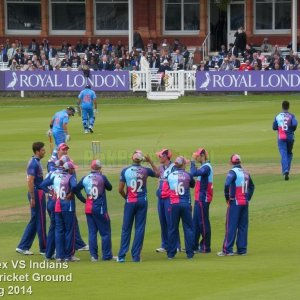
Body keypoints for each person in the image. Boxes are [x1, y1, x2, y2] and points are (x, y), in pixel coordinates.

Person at [117, 150, 158, 262]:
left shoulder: (125, 170)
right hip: (142, 202)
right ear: (141, 160)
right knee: (139, 228)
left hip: (130, 202)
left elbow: (120, 190)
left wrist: (126, 197)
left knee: (126, 228)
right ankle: (136, 256)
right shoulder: (145, 170)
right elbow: (159, 174)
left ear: (132, 158)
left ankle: (121, 256)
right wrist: (150, 161)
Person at [75, 160, 114, 262]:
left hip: (89, 208)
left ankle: (94, 256)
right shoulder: (102, 177)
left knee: (92, 232)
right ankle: (107, 255)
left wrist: (83, 199)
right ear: (99, 168)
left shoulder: (85, 178)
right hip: (100, 209)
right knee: (105, 233)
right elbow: (110, 188)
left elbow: (75, 189)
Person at [217, 154, 255, 256]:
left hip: (235, 203)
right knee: (243, 226)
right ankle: (242, 250)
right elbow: (252, 186)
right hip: (244, 203)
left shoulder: (233, 172)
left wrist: (227, 197)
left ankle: (227, 250)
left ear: (231, 162)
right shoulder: (246, 172)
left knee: (231, 225)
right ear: (240, 162)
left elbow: (226, 184)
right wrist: (248, 198)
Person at [16, 142, 47, 255]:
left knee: (35, 220)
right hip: (36, 193)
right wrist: (33, 197)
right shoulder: (34, 163)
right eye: (43, 150)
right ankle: (44, 248)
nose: (45, 152)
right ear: (37, 151)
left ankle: (23, 246)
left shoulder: (35, 161)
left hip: (37, 193)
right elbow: (30, 180)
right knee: (41, 220)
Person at [167, 156, 195, 259]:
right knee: (188, 228)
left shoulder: (170, 176)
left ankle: (171, 254)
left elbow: (169, 186)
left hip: (173, 204)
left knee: (172, 229)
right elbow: (192, 185)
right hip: (185, 204)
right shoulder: (188, 175)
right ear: (183, 164)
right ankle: (190, 253)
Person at [155, 149, 180, 253]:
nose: (159, 157)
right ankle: (164, 245)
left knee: (172, 222)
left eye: (160, 156)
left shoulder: (174, 167)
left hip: (170, 198)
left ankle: (176, 245)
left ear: (166, 156)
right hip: (161, 198)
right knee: (163, 221)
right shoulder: (160, 167)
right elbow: (159, 179)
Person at [190, 148, 213, 253]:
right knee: (195, 222)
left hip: (203, 198)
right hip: (199, 198)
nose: (196, 157)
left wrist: (192, 162)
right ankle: (193, 245)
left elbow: (193, 173)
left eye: (197, 156)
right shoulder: (204, 167)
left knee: (203, 222)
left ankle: (205, 246)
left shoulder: (207, 167)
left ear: (202, 156)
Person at [273, 101, 298, 180]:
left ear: (282, 107)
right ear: (288, 107)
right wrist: (292, 129)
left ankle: (285, 170)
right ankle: (287, 169)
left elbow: (274, 127)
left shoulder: (278, 116)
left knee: (283, 153)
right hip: (290, 137)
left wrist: (280, 127)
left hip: (281, 137)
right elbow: (294, 124)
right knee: (289, 153)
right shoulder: (291, 116)